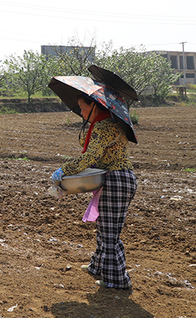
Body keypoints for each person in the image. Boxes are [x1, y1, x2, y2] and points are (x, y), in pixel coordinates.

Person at [51, 94, 137, 289]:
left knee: (109, 233)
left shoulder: (103, 126)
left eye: (82, 107)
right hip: (118, 178)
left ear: (94, 106)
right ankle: (97, 267)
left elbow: (91, 156)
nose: (80, 112)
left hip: (115, 179)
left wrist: (64, 170)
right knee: (104, 227)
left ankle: (117, 280)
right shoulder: (110, 123)